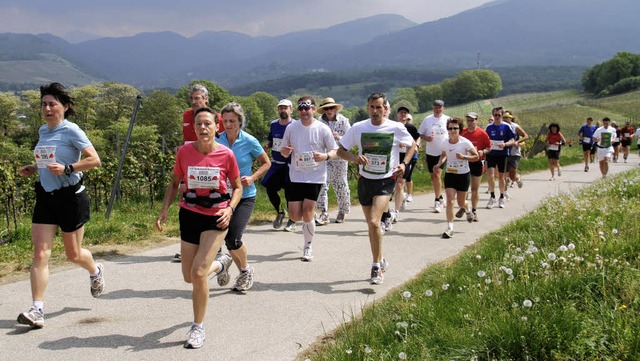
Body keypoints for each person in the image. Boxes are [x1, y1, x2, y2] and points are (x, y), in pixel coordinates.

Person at [16, 82, 103, 329]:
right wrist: (34, 168)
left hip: (70, 197)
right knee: (40, 253)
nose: (47, 108)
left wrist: (68, 168)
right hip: (46, 197)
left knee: (73, 255)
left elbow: (94, 160)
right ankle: (37, 309)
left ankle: (95, 270)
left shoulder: (72, 130)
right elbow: (48, 160)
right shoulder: (43, 131)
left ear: (64, 107)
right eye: (43, 104)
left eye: (52, 104)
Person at [156, 107, 242, 349]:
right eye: (198, 124)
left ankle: (198, 327)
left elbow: (237, 187)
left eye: (207, 124)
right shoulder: (184, 152)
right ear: (193, 128)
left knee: (198, 273)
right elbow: (174, 183)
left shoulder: (226, 154)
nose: (203, 128)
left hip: (217, 215)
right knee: (188, 276)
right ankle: (223, 263)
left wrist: (230, 209)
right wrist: (164, 210)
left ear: (217, 127)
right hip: (190, 214)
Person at [337, 92, 415, 285]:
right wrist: (356, 159)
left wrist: (404, 164)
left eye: (378, 107)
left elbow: (413, 146)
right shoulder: (358, 128)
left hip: (385, 180)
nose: (374, 111)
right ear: (367, 107)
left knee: (374, 221)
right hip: (365, 180)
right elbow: (340, 151)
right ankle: (380, 259)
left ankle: (375, 266)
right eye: (371, 107)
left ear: (385, 109)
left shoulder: (396, 127)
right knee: (372, 227)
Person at [217, 102, 270, 291]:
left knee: (233, 238)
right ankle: (230, 263)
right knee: (222, 237)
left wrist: (253, 177)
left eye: (232, 121)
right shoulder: (217, 140)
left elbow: (266, 163)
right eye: (225, 121)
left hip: (245, 196)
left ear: (240, 121)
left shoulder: (249, 141)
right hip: (222, 196)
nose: (228, 125)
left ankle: (245, 271)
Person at [280, 96, 338, 262]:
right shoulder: (292, 128)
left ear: (313, 109)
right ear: (298, 110)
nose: (304, 111)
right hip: (296, 175)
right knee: (294, 215)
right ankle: (306, 232)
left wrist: (325, 156)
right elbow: (284, 152)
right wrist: (285, 151)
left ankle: (308, 246)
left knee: (307, 212)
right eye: (301, 108)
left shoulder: (322, 128)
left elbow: (334, 151)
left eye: (307, 108)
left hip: (315, 176)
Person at [174, 83, 225, 263]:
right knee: (189, 199)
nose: (195, 102)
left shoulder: (216, 117)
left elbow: (222, 140)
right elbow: (186, 137)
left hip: (210, 163)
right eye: (192, 99)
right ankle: (190, 245)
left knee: (212, 200)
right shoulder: (187, 115)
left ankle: (216, 246)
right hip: (190, 162)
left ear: (206, 99)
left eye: (198, 98)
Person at [434, 117, 479, 238]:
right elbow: (444, 155)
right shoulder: (445, 143)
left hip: (463, 175)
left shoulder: (465, 142)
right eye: (450, 128)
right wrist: (439, 164)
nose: (452, 130)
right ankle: (450, 228)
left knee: (460, 202)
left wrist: (464, 157)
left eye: (455, 128)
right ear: (447, 129)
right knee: (450, 201)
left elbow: (476, 157)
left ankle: (468, 209)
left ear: (459, 129)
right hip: (450, 174)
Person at [315, 97, 351, 225]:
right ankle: (324, 213)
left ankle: (343, 210)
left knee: (341, 184)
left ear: (336, 108)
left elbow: (350, 140)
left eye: (331, 108)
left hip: (340, 157)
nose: (329, 110)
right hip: (324, 157)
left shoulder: (344, 121)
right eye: (326, 108)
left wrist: (339, 137)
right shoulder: (319, 122)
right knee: (322, 185)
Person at [261, 99, 295, 231]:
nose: (283, 110)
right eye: (281, 108)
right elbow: (271, 139)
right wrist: (267, 146)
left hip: (290, 164)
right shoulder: (274, 124)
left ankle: (292, 220)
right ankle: (280, 212)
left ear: (291, 109)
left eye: (285, 108)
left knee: (290, 193)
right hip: (276, 163)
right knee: (269, 187)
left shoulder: (296, 125)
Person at [418, 99, 449, 213]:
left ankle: (437, 201)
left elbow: (454, 133)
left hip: (443, 152)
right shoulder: (427, 120)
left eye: (440, 107)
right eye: (436, 107)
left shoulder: (447, 119)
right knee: (433, 177)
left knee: (437, 175)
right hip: (431, 152)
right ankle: (440, 196)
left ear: (443, 108)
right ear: (433, 108)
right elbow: (420, 133)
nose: (437, 109)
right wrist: (426, 138)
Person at [461, 112, 491, 222]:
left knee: (474, 189)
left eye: (472, 120)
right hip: (465, 162)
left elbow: (489, 147)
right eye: (468, 120)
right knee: (464, 189)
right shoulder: (462, 133)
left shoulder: (482, 133)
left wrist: (483, 151)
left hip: (477, 163)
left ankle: (474, 210)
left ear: (476, 121)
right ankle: (464, 208)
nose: (470, 123)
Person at [392, 106, 420, 220]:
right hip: (395, 157)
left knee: (400, 183)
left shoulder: (410, 127)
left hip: (407, 158)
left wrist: (416, 146)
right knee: (395, 184)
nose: (403, 114)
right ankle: (401, 197)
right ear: (397, 115)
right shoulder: (392, 127)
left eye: (405, 113)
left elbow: (418, 137)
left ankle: (396, 212)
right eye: (401, 112)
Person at [484, 107, 516, 208]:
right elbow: (485, 140)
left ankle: (501, 197)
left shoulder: (506, 127)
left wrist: (505, 144)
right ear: (493, 116)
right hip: (491, 154)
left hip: (502, 154)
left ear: (502, 116)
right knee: (490, 174)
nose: (497, 117)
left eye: (499, 115)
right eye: (495, 115)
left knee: (502, 177)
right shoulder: (488, 127)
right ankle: (492, 196)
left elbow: (512, 140)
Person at [502, 111, 528, 198]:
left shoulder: (515, 127)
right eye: (504, 118)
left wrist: (517, 142)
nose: (505, 119)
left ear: (511, 118)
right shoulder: (501, 127)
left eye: (507, 118)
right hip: (504, 153)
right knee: (503, 175)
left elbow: (525, 136)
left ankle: (517, 178)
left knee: (512, 175)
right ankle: (504, 193)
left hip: (514, 153)